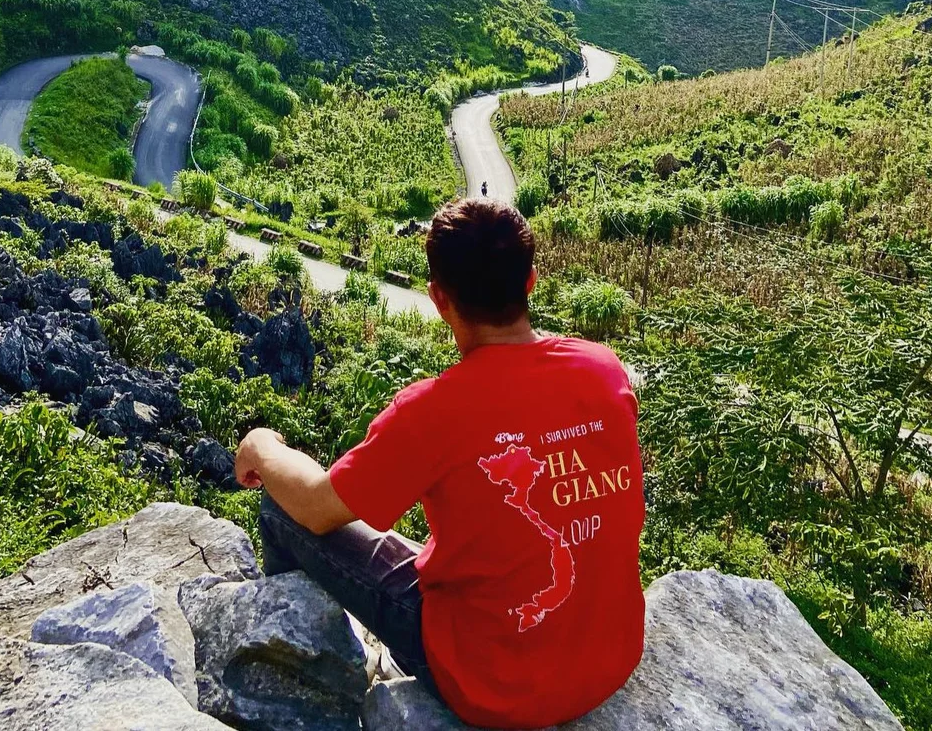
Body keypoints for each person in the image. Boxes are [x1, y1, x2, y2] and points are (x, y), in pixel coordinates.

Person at [234, 199, 646, 730]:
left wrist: (263, 448)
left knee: (280, 504)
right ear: (531, 282)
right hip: (610, 660)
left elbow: (316, 509)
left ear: (438, 299)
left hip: (489, 686)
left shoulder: (432, 410)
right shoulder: (602, 369)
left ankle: (303, 675)